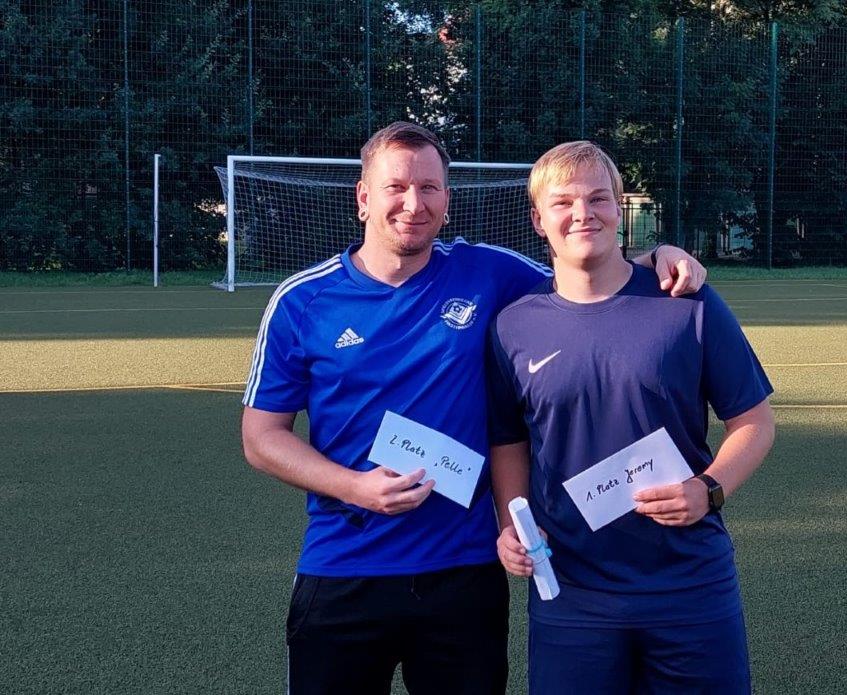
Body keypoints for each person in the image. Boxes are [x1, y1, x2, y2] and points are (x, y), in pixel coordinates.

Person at [239, 122, 709, 694]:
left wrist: (655, 254)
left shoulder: (489, 273)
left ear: (447, 199)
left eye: (429, 188)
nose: (414, 204)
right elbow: (261, 437)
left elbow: (584, 271)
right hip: (344, 567)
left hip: (463, 574)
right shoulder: (301, 300)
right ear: (363, 197)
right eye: (396, 188)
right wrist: (354, 487)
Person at [487, 141, 776, 694]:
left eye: (598, 198)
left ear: (619, 209)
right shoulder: (512, 327)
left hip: (689, 585)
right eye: (563, 202)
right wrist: (510, 524)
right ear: (538, 219)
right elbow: (508, 441)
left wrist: (709, 489)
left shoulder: (688, 303)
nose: (582, 213)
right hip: (572, 594)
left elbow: (755, 422)